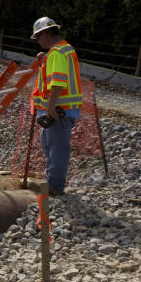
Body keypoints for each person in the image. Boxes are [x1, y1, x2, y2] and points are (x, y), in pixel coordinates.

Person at [30, 16, 82, 196]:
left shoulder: (58, 53)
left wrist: (50, 107)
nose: (38, 41)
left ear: (45, 33)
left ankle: (54, 186)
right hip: (62, 109)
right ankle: (52, 182)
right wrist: (45, 58)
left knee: (57, 147)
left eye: (38, 37)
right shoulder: (61, 51)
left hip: (59, 110)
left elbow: (58, 82)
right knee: (50, 144)